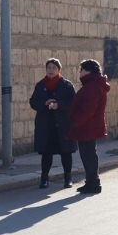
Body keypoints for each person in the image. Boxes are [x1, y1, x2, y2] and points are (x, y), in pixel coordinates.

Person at [29, 58, 76, 189]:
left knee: (66, 152)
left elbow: (73, 103)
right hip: (46, 125)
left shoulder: (66, 85)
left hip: (63, 125)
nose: (51, 70)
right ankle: (44, 178)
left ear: (59, 70)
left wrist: (58, 105)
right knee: (46, 153)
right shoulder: (40, 85)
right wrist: (44, 103)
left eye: (54, 68)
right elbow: (33, 102)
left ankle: (68, 178)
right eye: (49, 68)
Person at [69, 59, 111, 194]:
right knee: (90, 155)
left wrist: (74, 122)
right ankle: (91, 182)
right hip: (89, 126)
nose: (79, 72)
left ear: (88, 71)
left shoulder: (91, 87)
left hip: (87, 127)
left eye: (81, 70)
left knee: (88, 156)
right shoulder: (94, 84)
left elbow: (87, 110)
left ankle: (93, 184)